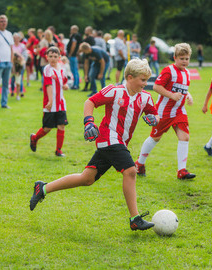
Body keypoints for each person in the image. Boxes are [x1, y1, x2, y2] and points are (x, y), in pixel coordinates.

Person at [29, 58, 159, 231]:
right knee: (130, 171)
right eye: (142, 80)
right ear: (129, 77)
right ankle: (135, 218)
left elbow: (156, 115)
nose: (145, 83)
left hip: (118, 142)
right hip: (108, 138)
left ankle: (43, 188)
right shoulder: (115, 91)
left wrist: (154, 119)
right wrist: (89, 122)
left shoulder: (146, 98)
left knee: (87, 178)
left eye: (147, 80)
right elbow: (90, 102)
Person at [135, 43, 196, 180]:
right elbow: (156, 86)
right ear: (175, 58)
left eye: (187, 58)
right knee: (155, 138)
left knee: (184, 137)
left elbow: (183, 89)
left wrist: (189, 96)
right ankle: (139, 163)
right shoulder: (168, 70)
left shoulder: (187, 73)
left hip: (179, 111)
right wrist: (171, 95)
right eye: (182, 58)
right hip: (164, 111)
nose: (184, 61)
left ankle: (182, 171)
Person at [29, 47, 69, 157]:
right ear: (46, 57)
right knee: (47, 128)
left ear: (59, 57)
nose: (53, 59)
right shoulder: (47, 69)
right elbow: (49, 86)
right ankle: (34, 138)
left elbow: (64, 81)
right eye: (50, 56)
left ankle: (58, 150)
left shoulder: (61, 68)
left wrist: (65, 86)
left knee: (61, 126)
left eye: (55, 57)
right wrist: (50, 101)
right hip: (50, 103)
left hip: (61, 103)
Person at [10, 32, 27, 99]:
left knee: (20, 79)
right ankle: (12, 91)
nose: (16, 39)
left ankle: (21, 92)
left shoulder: (22, 46)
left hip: (20, 65)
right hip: (12, 64)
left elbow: (25, 56)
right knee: (12, 79)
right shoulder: (11, 46)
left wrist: (21, 58)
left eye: (17, 38)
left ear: (19, 39)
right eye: (15, 38)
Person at [66, 25, 82, 90]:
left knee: (74, 70)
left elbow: (73, 45)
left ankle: (76, 84)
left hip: (73, 55)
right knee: (75, 70)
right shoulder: (78, 36)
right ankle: (76, 84)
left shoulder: (75, 36)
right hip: (75, 55)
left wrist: (70, 53)